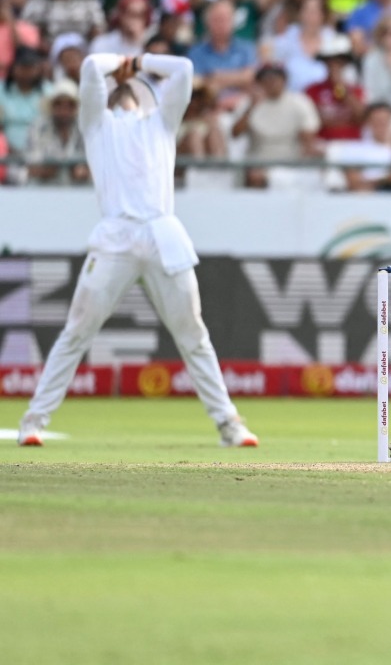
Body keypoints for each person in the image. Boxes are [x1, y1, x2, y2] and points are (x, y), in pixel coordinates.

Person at [16, 52, 258, 448]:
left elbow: (183, 69)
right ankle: (33, 422)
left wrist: (140, 61)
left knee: (193, 334)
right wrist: (121, 65)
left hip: (163, 236)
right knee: (77, 331)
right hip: (115, 239)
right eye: (119, 88)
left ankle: (229, 424)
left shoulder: (162, 124)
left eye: (133, 89)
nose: (126, 92)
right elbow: (93, 66)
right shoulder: (97, 126)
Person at [232, 63, 322, 188]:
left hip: (292, 160)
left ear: (284, 81)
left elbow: (308, 136)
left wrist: (309, 152)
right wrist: (251, 107)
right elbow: (235, 134)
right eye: (266, 79)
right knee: (255, 176)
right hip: (258, 162)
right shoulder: (248, 103)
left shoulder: (300, 102)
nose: (271, 82)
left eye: (275, 78)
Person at [23, 79, 89, 185]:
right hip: (43, 190)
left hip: (78, 190)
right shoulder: (38, 129)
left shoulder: (84, 129)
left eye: (70, 105)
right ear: (52, 106)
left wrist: (83, 172)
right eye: (58, 104)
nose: (64, 110)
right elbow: (31, 168)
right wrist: (51, 169)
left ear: (76, 108)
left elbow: (94, 167)